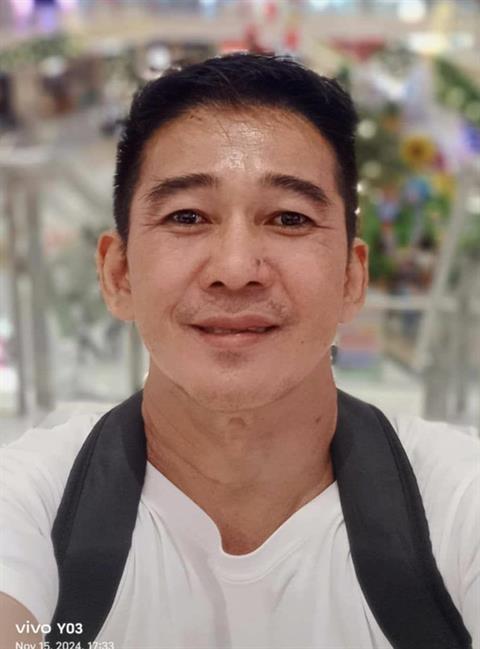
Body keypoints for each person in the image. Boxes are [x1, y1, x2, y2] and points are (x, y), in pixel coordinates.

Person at [1, 53, 479, 649]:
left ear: (351, 278)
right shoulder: (32, 502)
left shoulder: (457, 505)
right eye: (187, 216)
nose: (234, 269)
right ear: (118, 274)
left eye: (289, 218)